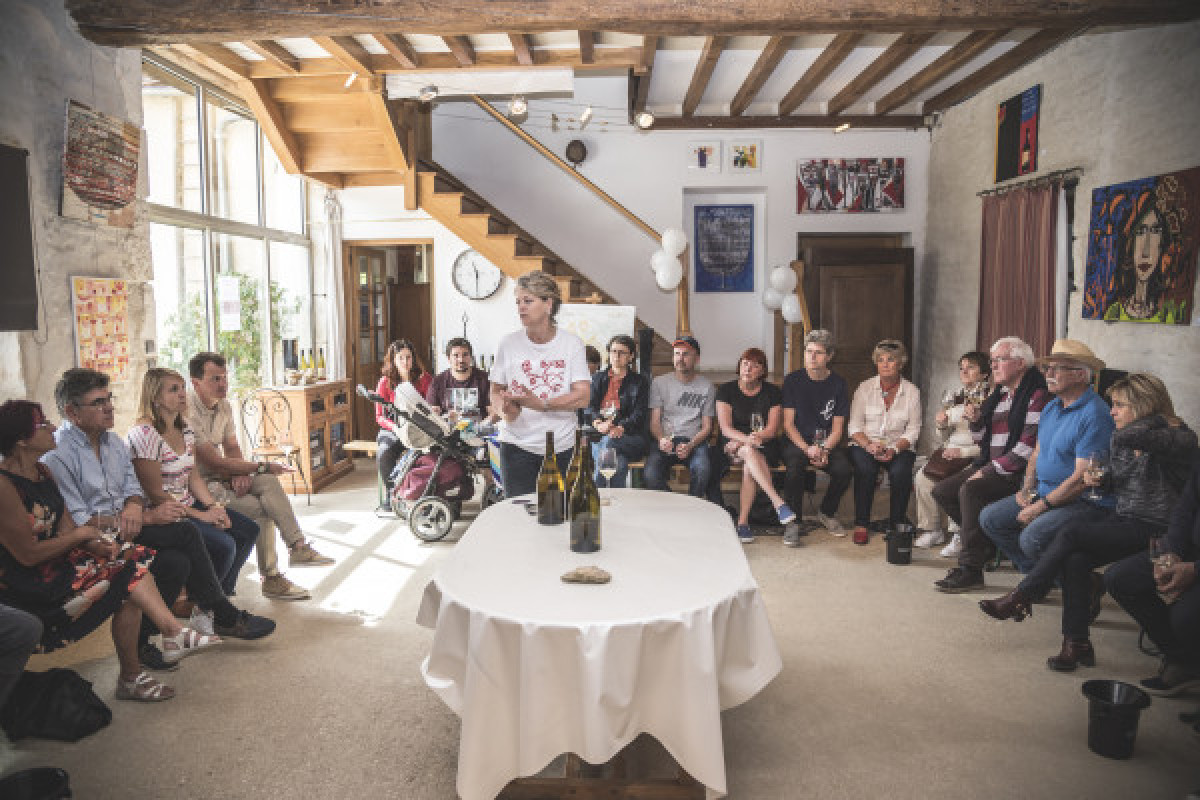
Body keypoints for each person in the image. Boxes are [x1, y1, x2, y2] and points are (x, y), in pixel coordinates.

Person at [43, 370, 274, 666]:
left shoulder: (113, 442)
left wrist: (134, 506)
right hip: (96, 539)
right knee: (187, 533)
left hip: (130, 524)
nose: (110, 407)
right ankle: (220, 612)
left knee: (178, 562)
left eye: (109, 398)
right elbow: (79, 520)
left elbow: (133, 487)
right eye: (98, 402)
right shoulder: (57, 455)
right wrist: (146, 517)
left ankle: (146, 641)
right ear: (72, 412)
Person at [1, 400, 219, 702]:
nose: (52, 427)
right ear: (22, 440)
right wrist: (83, 535)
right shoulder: (5, 486)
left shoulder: (42, 471)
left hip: (60, 560)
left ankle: (157, 650)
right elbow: (28, 555)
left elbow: (66, 527)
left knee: (128, 560)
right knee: (131, 571)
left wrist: (97, 545)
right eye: (43, 424)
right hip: (29, 581)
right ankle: (160, 645)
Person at [979, 374, 1196, 672]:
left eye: (1119, 405)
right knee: (1075, 558)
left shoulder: (1178, 437)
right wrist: (1102, 480)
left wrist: (1155, 420)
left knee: (1071, 533)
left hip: (1160, 527)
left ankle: (1024, 594)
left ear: (1143, 406)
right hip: (1125, 519)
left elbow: (1131, 438)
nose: (1112, 412)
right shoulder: (1126, 435)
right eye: (1112, 404)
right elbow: (1118, 481)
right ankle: (1076, 642)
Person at [187, 353, 333, 602]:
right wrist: (260, 466)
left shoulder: (224, 405)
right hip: (202, 485)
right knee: (262, 507)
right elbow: (212, 461)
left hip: (223, 474)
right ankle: (271, 577)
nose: (223, 384)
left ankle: (297, 546)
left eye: (224, 377)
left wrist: (242, 472)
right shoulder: (188, 412)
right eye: (215, 379)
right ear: (196, 382)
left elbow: (232, 446)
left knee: (267, 482)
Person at [977, 339, 1116, 577]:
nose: (1048, 374)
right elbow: (1037, 452)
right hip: (1044, 491)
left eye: (1056, 369)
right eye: (1047, 368)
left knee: (1032, 538)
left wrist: (1041, 506)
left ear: (1080, 375)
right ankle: (1043, 578)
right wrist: (1027, 489)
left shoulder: (1094, 414)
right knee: (990, 518)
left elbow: (1082, 479)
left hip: (1083, 501)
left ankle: (1077, 582)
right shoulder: (1052, 407)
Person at [127, 368, 259, 605]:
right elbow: (156, 494)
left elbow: (193, 475)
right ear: (155, 397)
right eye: (173, 390)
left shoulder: (185, 427)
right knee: (225, 545)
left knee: (248, 530)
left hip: (188, 503)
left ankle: (217, 599)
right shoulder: (145, 434)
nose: (182, 394)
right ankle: (208, 603)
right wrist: (201, 515)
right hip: (164, 512)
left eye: (182, 388)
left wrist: (213, 507)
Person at [933, 337, 1049, 591]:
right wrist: (976, 421)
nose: (993, 365)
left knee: (971, 489)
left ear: (1020, 363)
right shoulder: (1001, 395)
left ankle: (970, 568)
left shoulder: (1036, 395)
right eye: (993, 360)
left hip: (1019, 472)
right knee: (942, 491)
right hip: (994, 465)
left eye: (999, 360)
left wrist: (986, 471)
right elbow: (982, 440)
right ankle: (984, 544)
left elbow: (1026, 450)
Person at [489, 271, 591, 497]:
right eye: (518, 302)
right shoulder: (508, 343)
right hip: (515, 447)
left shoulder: (571, 344)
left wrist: (541, 404)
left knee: (560, 512)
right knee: (519, 513)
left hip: (562, 447)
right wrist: (504, 410)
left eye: (528, 301)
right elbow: (495, 390)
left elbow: (583, 396)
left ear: (548, 304)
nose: (520, 308)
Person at [1106, 460, 1200, 696]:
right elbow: (1185, 509)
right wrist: (1171, 553)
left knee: (1185, 617)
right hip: (1190, 548)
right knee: (1121, 579)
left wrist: (1195, 570)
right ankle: (1185, 662)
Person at [780, 329, 853, 546]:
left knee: (844, 470)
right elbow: (788, 424)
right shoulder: (793, 381)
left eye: (818, 352)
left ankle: (827, 512)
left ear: (829, 356)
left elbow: (838, 428)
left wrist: (825, 449)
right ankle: (793, 522)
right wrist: (807, 448)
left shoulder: (838, 384)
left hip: (826, 442)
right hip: (797, 440)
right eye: (808, 351)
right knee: (794, 468)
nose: (812, 357)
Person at [846, 339, 921, 545]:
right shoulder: (864, 388)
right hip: (865, 444)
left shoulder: (912, 392)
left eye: (890, 359)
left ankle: (897, 523)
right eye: (881, 360)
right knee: (866, 469)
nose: (885, 364)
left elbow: (914, 430)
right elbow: (854, 426)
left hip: (898, 445)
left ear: (901, 363)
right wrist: (869, 445)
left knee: (900, 472)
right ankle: (861, 524)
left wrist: (894, 449)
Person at [715, 348, 794, 544]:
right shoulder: (726, 390)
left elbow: (772, 429)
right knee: (748, 451)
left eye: (755, 365)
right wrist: (746, 440)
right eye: (745, 363)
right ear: (739, 366)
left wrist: (756, 438)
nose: (748, 368)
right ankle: (778, 502)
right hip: (733, 442)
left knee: (749, 465)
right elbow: (725, 428)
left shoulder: (772, 392)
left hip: (763, 442)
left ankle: (743, 523)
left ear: (763, 370)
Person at [912, 351, 990, 549]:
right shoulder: (956, 396)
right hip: (951, 451)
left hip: (975, 455)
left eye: (971, 367)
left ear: (984, 374)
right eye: (961, 368)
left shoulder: (990, 399)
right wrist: (941, 425)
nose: (964, 371)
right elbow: (943, 437)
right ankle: (933, 530)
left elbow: (992, 443)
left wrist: (963, 453)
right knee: (922, 477)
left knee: (957, 482)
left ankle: (959, 534)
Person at [643, 336, 722, 505]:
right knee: (650, 475)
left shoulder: (707, 387)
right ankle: (678, 506)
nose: (680, 358)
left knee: (702, 470)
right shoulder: (659, 383)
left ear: (696, 359)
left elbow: (707, 427)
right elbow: (655, 422)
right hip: (666, 440)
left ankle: (691, 507)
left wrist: (691, 445)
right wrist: (661, 439)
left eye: (686, 354)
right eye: (676, 354)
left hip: (694, 441)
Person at [375, 339, 434, 505]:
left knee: (429, 454)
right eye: (400, 358)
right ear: (393, 360)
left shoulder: (425, 379)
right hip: (393, 428)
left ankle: (420, 492)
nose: (405, 362)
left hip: (419, 428)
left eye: (408, 357)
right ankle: (392, 494)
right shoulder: (384, 382)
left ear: (413, 358)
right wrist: (394, 427)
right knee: (384, 452)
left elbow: (431, 406)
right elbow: (379, 417)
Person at [587, 335, 650, 489]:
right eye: (613, 351)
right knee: (619, 463)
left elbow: (639, 414)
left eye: (622, 352)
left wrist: (621, 427)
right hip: (602, 434)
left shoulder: (639, 382)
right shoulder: (597, 379)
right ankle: (615, 500)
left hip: (631, 437)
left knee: (609, 443)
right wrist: (598, 423)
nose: (616, 356)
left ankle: (596, 492)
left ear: (631, 356)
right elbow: (589, 407)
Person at [425, 337, 492, 418]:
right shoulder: (437, 382)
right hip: (447, 425)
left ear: (471, 357)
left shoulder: (485, 379)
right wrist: (435, 413)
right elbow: (431, 414)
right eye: (456, 355)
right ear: (449, 358)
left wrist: (483, 424)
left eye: (465, 355)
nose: (461, 360)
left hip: (480, 425)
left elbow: (493, 412)